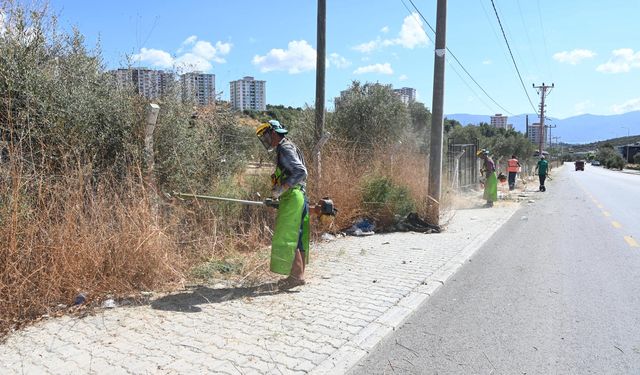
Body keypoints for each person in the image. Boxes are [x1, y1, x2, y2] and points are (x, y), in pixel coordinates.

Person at [256, 120, 309, 290]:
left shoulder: (284, 148)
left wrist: (282, 189)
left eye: (266, 136)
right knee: (296, 237)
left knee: (286, 237)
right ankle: (297, 276)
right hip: (297, 196)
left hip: (293, 196)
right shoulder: (288, 146)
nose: (266, 140)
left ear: (273, 133)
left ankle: (296, 277)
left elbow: (301, 172)